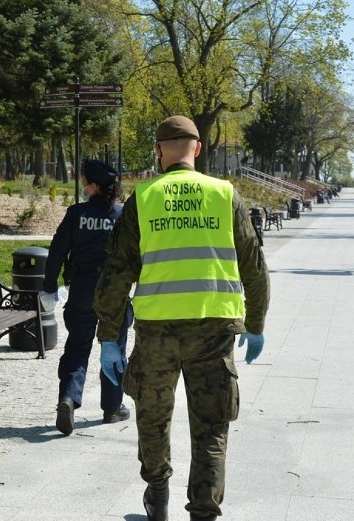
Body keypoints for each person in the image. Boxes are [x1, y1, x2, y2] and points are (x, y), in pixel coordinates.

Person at [93, 115, 270, 521]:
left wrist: (107, 336)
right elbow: (255, 269)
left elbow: (117, 273)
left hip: (157, 332)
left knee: (153, 415)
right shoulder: (225, 194)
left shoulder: (145, 197)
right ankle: (204, 511)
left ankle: (157, 492)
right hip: (214, 329)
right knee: (211, 426)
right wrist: (256, 325)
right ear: (198, 148)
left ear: (158, 151)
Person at [40, 158, 134, 436]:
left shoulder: (76, 214)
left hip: (81, 288)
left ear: (93, 186)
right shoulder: (121, 215)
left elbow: (56, 251)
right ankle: (112, 407)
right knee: (114, 346)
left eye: (84, 182)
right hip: (113, 292)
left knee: (78, 348)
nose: (82, 186)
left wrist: (48, 287)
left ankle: (68, 398)